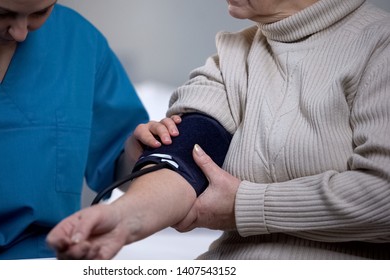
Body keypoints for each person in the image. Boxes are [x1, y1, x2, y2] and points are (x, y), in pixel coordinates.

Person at [47, 0, 390, 260]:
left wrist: (246, 205)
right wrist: (120, 219)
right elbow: (180, 162)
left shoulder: (379, 45)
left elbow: (383, 195)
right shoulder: (231, 56)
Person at [0, 0, 150, 260]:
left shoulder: (78, 43)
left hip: (51, 260)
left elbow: (117, 167)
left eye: (41, 12)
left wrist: (134, 158)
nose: (20, 32)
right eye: (0, 12)